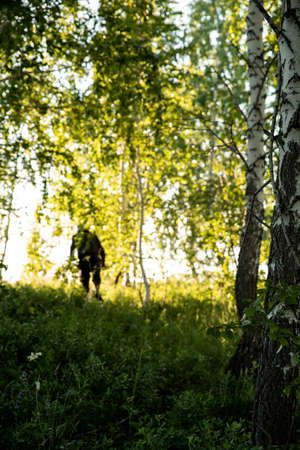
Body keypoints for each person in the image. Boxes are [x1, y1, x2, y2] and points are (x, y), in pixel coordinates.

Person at [70, 226, 106, 300]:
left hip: (83, 259)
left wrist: (71, 259)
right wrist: (103, 263)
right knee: (96, 276)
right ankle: (96, 292)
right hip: (95, 258)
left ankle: (86, 294)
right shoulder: (93, 236)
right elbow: (101, 249)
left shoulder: (76, 236)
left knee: (85, 278)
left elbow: (72, 248)